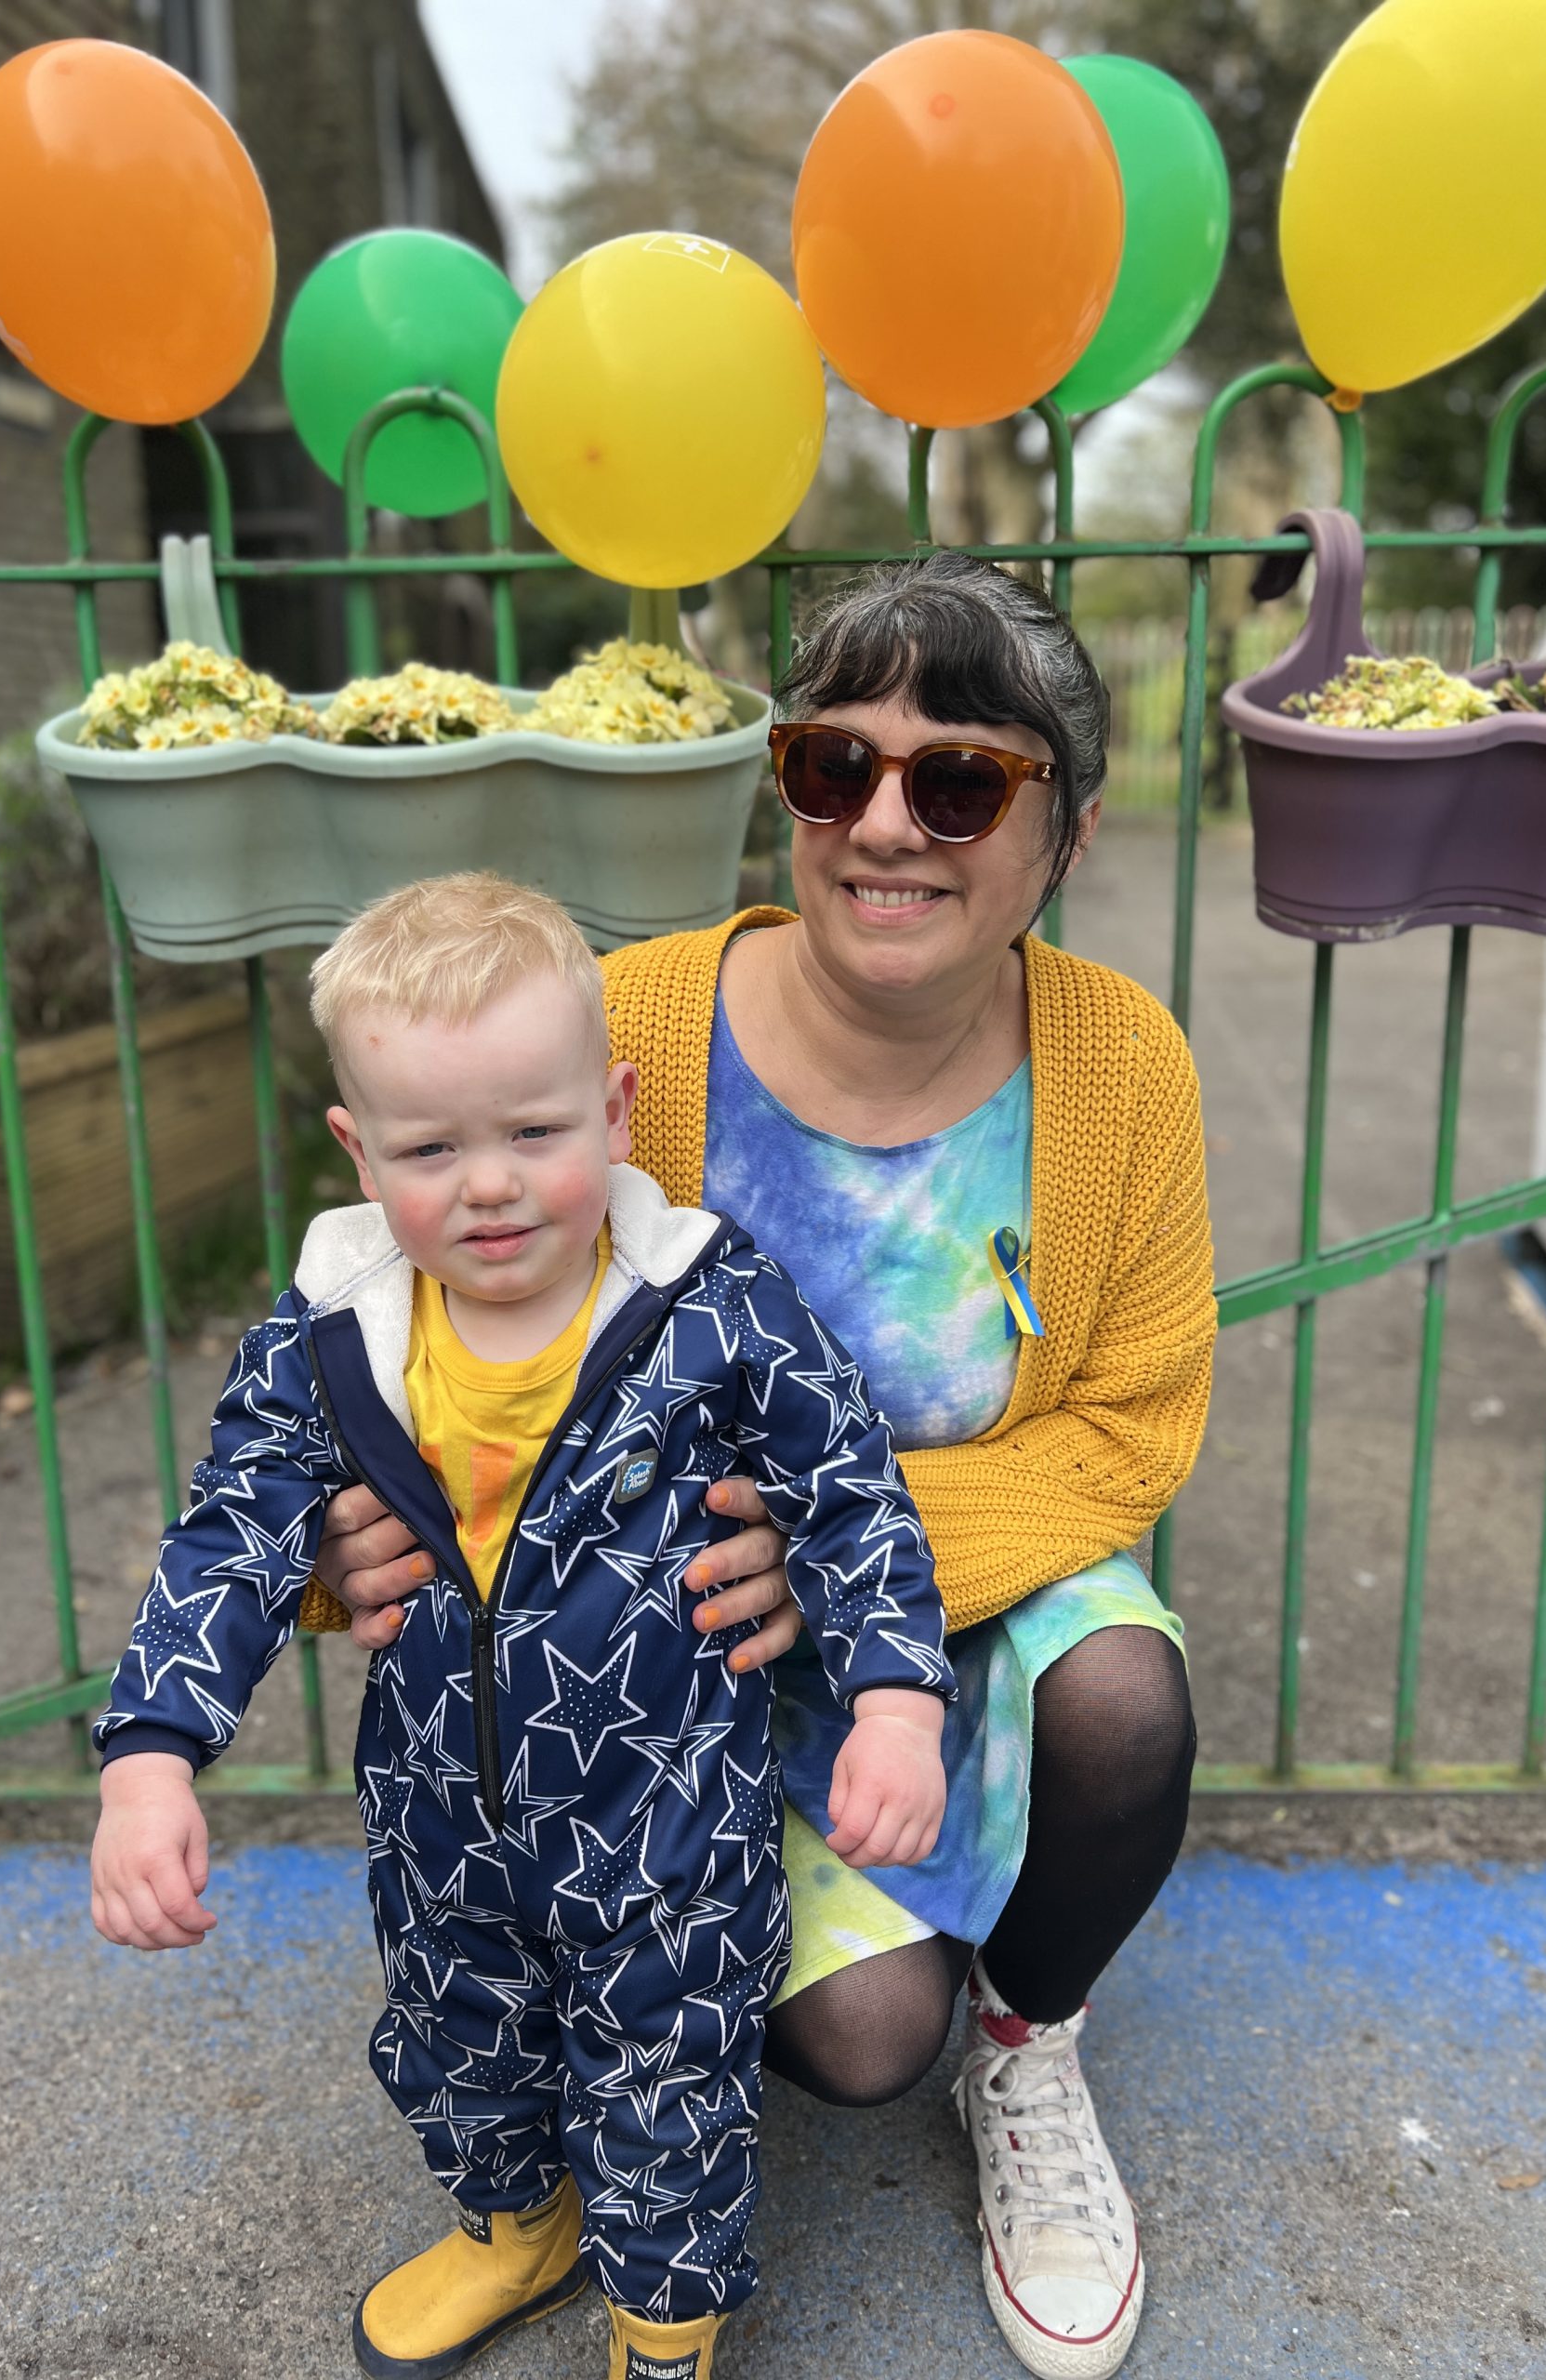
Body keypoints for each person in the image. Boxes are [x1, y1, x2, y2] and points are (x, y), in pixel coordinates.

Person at [311, 554, 1216, 2380]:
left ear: (1068, 831)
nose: (885, 822)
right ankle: (617, 2066)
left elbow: (1132, 1422)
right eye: (834, 763)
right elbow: (412, 1321)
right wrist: (351, 1535)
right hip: (678, 1649)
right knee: (863, 2042)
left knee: (1127, 1698)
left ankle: (1029, 2039)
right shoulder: (626, 1025)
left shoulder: (1122, 1065)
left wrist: (851, 1548)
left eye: (959, 780)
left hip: (976, 1573)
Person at [88, 873, 956, 2380]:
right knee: (457, 2041)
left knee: (668, 2076)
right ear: (360, 1152)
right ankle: (517, 2227)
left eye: (535, 1133)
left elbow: (850, 1492)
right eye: (431, 1149)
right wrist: (150, 1758)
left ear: (614, 1112)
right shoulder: (334, 1328)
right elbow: (233, 1530)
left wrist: (896, 1699)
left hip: (665, 1821)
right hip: (441, 1822)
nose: (489, 1185)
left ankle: (667, 2324)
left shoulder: (709, 1302)